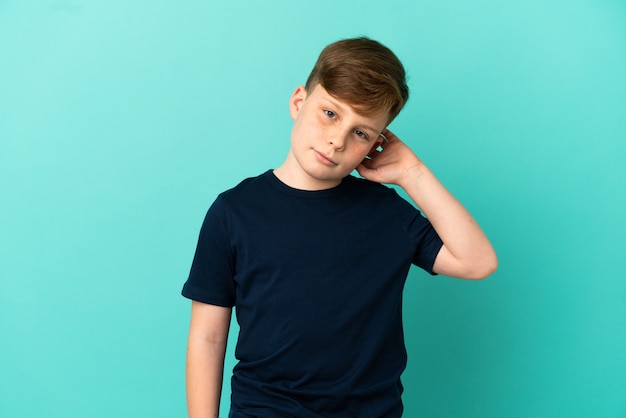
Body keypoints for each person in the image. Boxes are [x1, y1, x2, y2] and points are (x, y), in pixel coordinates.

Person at [182, 37, 497, 418]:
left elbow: (477, 262)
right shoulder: (234, 212)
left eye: (361, 133)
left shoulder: (386, 213)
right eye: (330, 113)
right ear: (299, 102)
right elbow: (208, 335)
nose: (337, 140)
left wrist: (413, 173)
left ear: (376, 144)